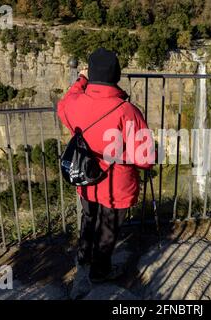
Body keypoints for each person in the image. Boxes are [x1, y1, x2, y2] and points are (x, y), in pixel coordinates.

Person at [57, 48, 154, 294]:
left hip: (86, 178)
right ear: (116, 75)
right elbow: (145, 159)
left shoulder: (75, 102)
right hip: (116, 185)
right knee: (108, 228)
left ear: (91, 74)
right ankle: (100, 271)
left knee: (88, 217)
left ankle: (83, 257)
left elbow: (63, 106)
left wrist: (81, 80)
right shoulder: (127, 111)